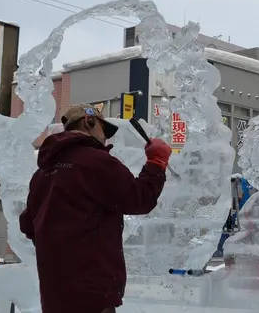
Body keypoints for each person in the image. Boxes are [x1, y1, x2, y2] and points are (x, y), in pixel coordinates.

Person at [19, 104, 172, 313]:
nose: (105, 138)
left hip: (54, 293)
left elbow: (28, 224)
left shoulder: (42, 174)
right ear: (89, 122)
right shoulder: (96, 162)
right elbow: (140, 199)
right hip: (93, 293)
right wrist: (157, 162)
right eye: (103, 129)